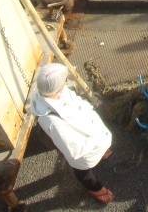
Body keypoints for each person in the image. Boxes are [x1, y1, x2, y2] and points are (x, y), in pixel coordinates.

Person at [30, 64, 114, 204]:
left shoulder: (57, 92)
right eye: (62, 82)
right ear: (55, 90)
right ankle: (95, 189)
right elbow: (74, 151)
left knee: (100, 147)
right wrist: (96, 141)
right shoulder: (51, 120)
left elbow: (76, 100)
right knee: (83, 171)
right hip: (85, 150)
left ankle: (102, 151)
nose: (65, 84)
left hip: (93, 133)